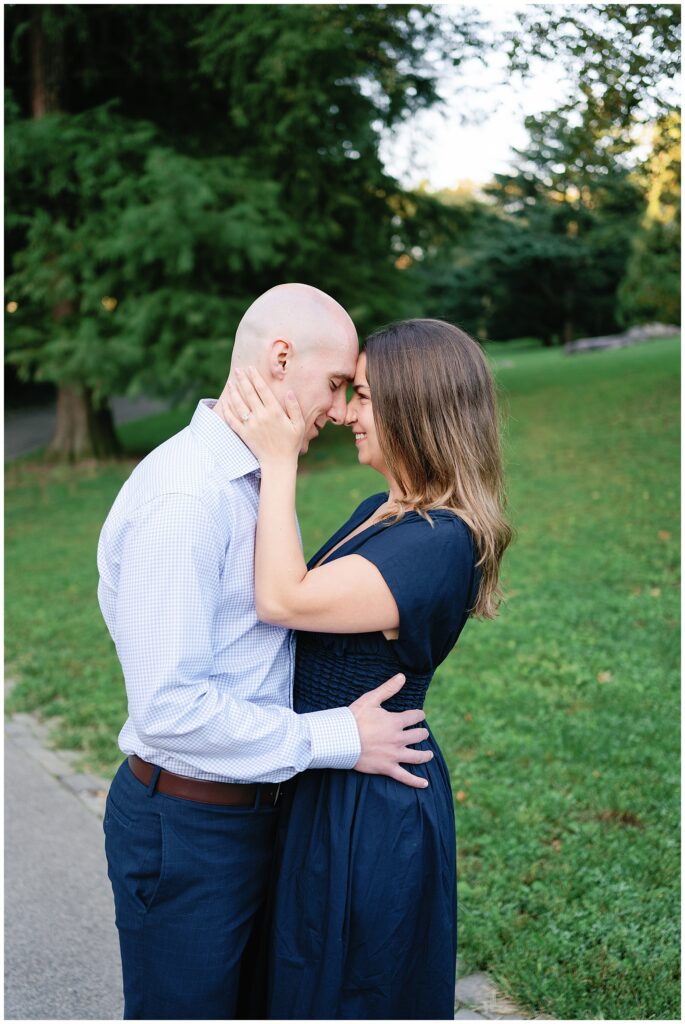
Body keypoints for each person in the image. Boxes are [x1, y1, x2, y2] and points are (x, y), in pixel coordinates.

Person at [97, 284, 433, 1021]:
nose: (341, 409)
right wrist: (335, 737)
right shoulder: (187, 498)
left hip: (251, 811)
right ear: (281, 358)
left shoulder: (244, 480)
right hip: (189, 832)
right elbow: (168, 711)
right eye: (337, 383)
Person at [221, 317, 513, 1020]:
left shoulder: (439, 542)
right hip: (323, 775)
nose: (348, 411)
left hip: (367, 808)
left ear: (417, 410)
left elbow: (280, 597)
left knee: (347, 990)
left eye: (366, 396)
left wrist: (279, 457)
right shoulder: (377, 512)